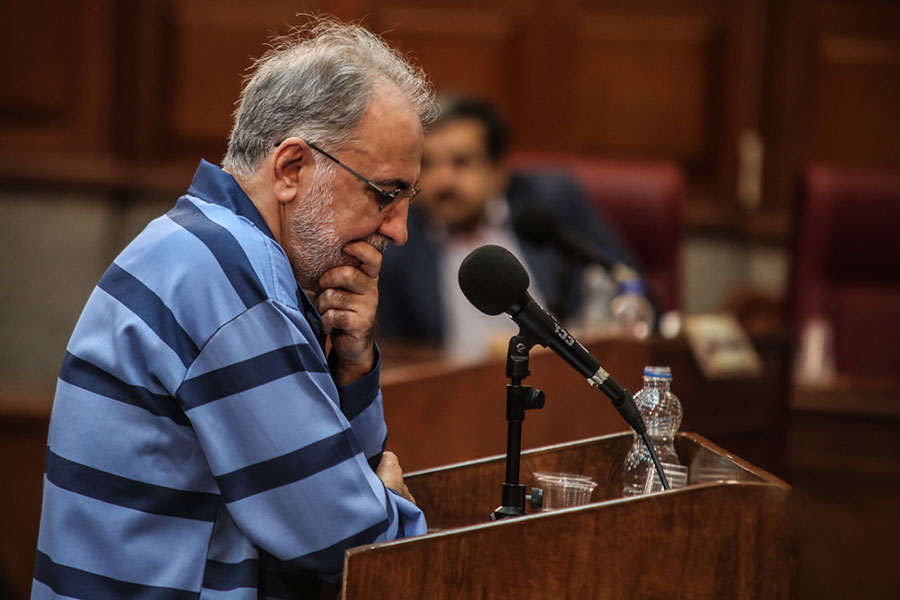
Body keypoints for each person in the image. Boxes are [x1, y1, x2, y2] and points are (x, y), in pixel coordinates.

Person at [32, 18, 435, 598]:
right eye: (385, 194)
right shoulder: (230, 278)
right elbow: (346, 541)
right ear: (292, 169)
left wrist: (354, 363)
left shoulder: (203, 244)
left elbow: (348, 485)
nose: (398, 230)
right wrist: (396, 513)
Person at [377, 95, 648, 358]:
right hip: (455, 383)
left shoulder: (550, 204)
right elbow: (393, 352)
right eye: (427, 164)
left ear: (497, 171)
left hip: (558, 373)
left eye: (461, 162)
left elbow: (626, 282)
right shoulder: (397, 239)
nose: (443, 181)